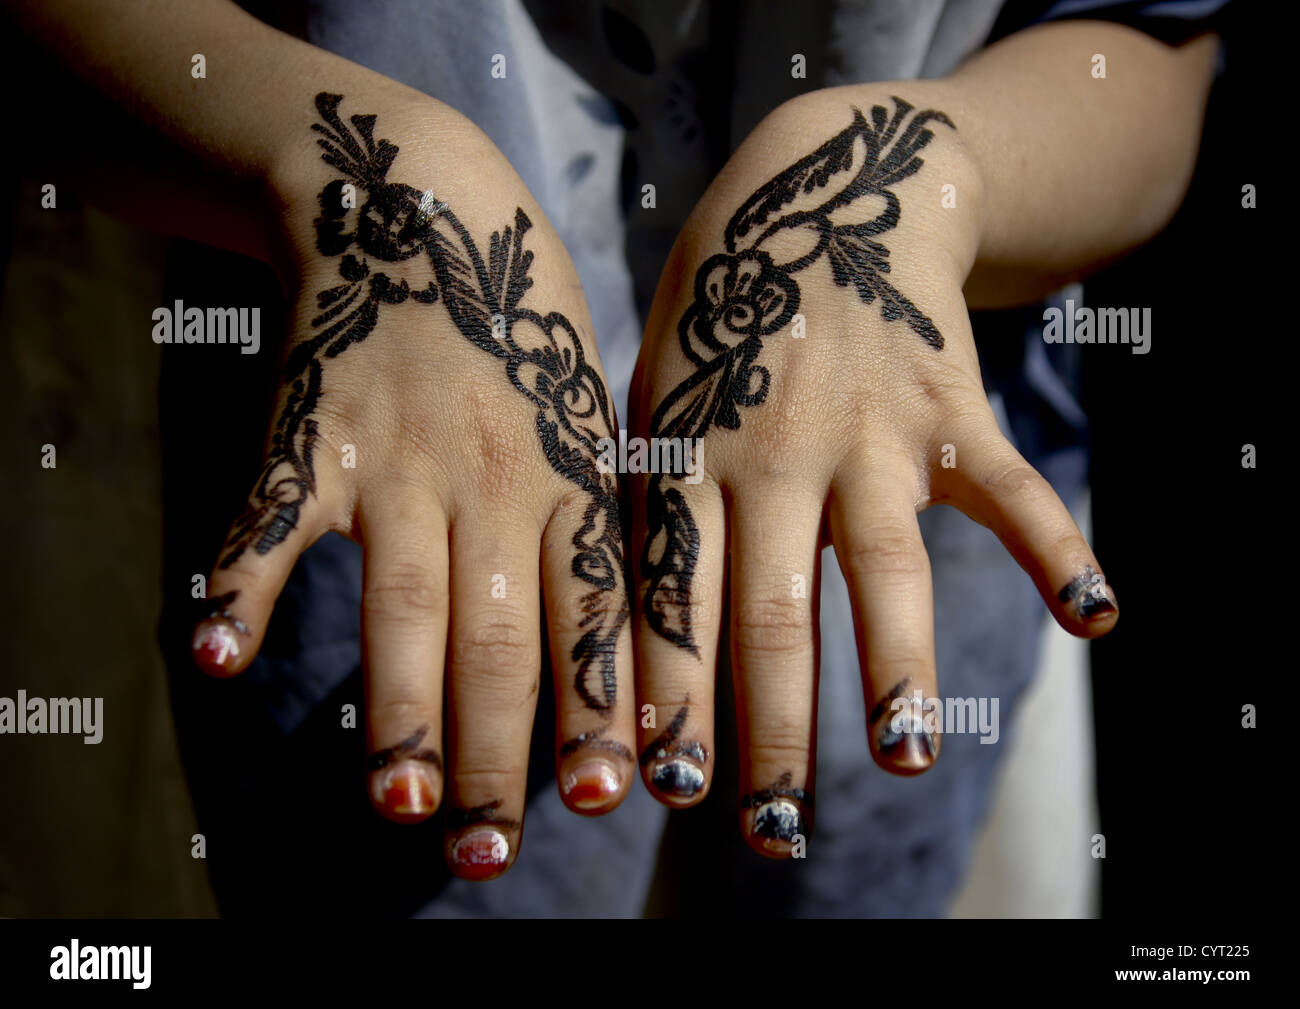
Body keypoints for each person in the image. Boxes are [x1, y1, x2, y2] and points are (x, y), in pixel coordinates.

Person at [5, 0, 1223, 915]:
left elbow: (1148, 52)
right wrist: (330, 164)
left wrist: (927, 184)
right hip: (400, 499)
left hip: (888, 491)